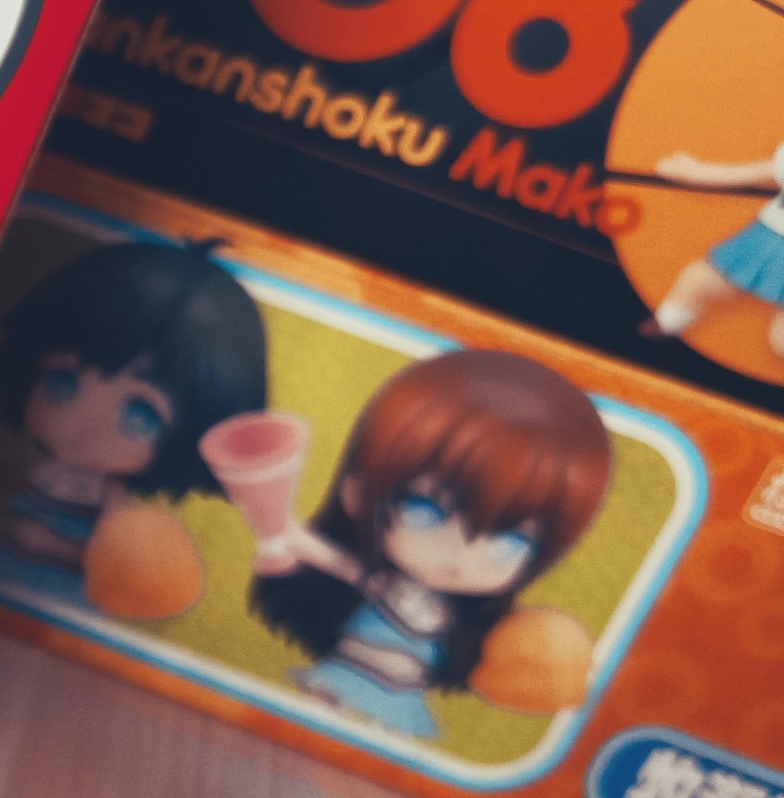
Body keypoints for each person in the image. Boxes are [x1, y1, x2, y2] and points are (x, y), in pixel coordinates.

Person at [247, 351, 612, 739]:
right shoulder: (384, 586)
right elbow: (333, 560)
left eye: (511, 542)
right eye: (426, 511)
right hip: (350, 671)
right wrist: (284, 528)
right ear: (358, 496)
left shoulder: (462, 626)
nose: (460, 558)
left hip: (401, 692)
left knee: (384, 738)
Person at [0, 241, 268, 610]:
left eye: (140, 416)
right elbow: (2, 482)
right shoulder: (42, 468)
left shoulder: (111, 497)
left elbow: (110, 561)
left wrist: (53, 546)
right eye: (62, 382)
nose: (78, 425)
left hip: (60, 594)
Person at [640, 143, 784, 359]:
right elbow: (748, 174)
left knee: (780, 341)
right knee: (700, 279)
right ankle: (667, 322)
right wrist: (696, 172)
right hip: (767, 238)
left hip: (769, 236)